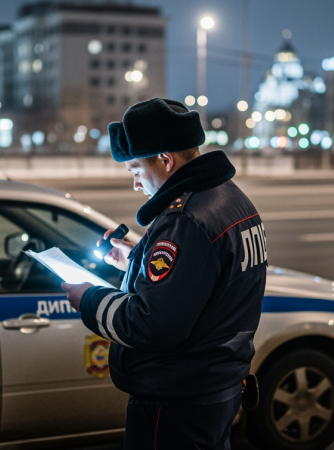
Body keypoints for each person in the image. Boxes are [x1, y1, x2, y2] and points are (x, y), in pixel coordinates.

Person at [61, 98, 267, 450]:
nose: (136, 185)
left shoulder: (184, 218)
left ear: (165, 160)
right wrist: (135, 258)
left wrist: (89, 300)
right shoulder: (232, 200)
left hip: (177, 402)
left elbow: (151, 324)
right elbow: (201, 280)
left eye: (136, 170)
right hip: (217, 389)